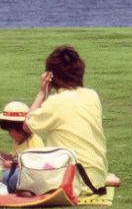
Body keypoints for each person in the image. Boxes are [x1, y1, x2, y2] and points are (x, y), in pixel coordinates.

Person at [24, 45, 113, 194]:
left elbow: (27, 125)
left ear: (50, 76)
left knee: (14, 177)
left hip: (73, 182)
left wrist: (42, 93)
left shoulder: (56, 102)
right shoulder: (92, 95)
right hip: (97, 178)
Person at [0, 101, 44, 189]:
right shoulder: (18, 141)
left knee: (3, 174)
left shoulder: (34, 142)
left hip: (30, 177)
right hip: (20, 173)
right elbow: (13, 158)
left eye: (10, 130)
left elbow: (34, 167)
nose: (9, 134)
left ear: (20, 129)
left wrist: (11, 165)